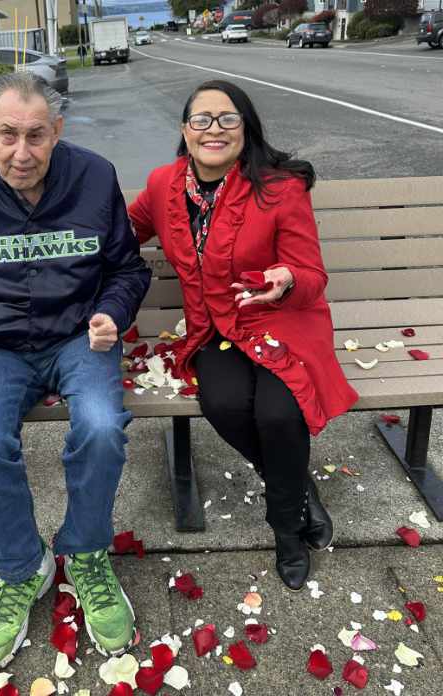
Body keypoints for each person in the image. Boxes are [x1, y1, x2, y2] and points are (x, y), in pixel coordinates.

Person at [0, 71, 151, 669]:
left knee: (101, 427)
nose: (21, 153)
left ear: (57, 131)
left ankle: (87, 553)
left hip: (78, 336)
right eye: (8, 135)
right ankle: (24, 567)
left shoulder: (94, 176)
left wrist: (112, 313)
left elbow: (127, 269)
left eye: (36, 136)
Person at [128, 80, 358, 591]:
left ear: (245, 127)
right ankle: (299, 489)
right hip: (215, 327)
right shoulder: (164, 184)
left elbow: (312, 274)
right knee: (225, 404)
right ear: (185, 129)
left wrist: (287, 279)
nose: (214, 129)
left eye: (227, 118)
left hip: (283, 320)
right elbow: (123, 232)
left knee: (278, 413)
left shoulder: (281, 187)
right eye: (202, 119)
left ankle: (287, 531)